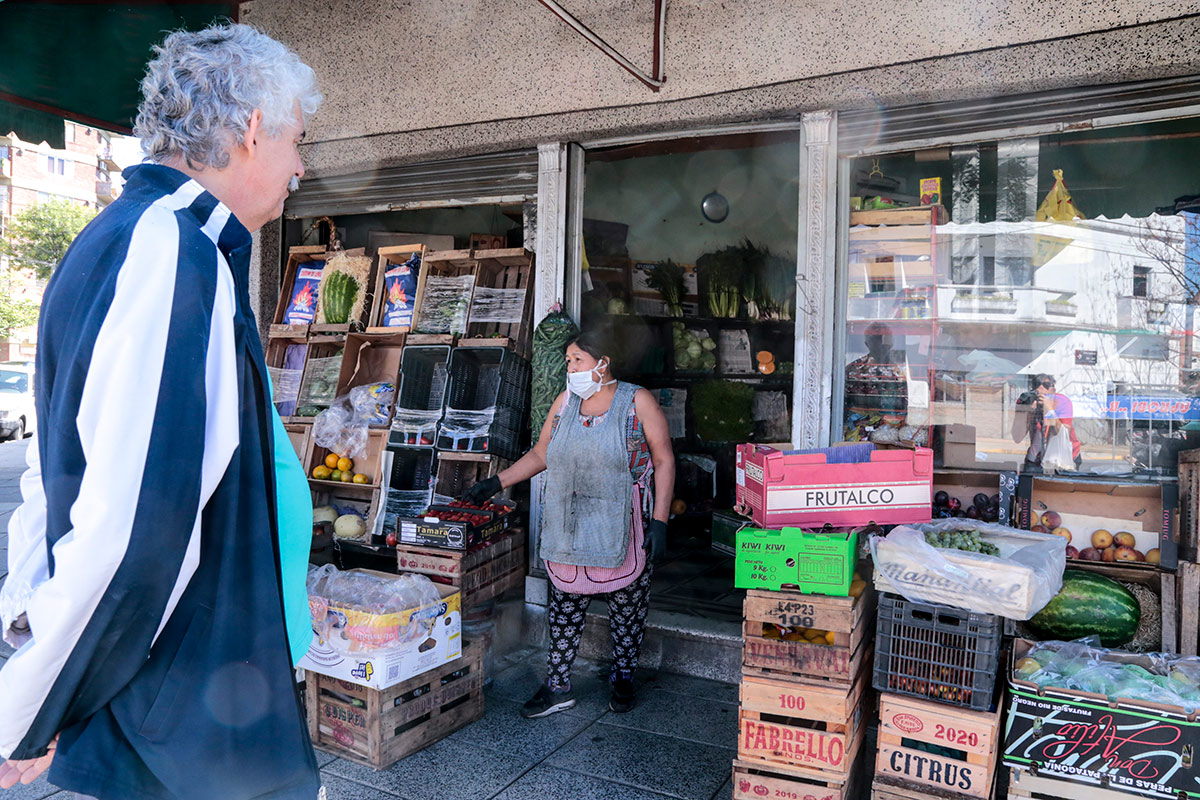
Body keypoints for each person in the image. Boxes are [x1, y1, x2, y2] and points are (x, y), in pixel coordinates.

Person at [0, 24, 323, 800]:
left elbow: (57, 479)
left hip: (183, 707)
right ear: (253, 131)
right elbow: (127, 525)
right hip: (179, 727)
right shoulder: (166, 248)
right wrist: (29, 709)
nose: (301, 168)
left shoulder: (151, 238)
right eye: (299, 141)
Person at [463, 332, 675, 717]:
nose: (570, 368)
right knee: (564, 608)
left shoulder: (637, 401)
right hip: (570, 523)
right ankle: (558, 686)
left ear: (602, 362)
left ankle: (624, 679)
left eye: (576, 359)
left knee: (627, 609)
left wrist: (660, 521)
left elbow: (663, 460)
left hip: (624, 524)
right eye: (568, 361)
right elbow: (542, 452)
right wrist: (497, 482)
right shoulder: (565, 403)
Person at [1012, 373, 1083, 471]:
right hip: (1036, 456)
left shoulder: (1062, 401)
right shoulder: (1029, 402)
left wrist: (1049, 410)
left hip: (1063, 457)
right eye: (1037, 384)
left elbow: (1062, 432)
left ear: (1053, 390)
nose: (1041, 388)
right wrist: (1026, 413)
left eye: (1046, 385)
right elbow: (1017, 438)